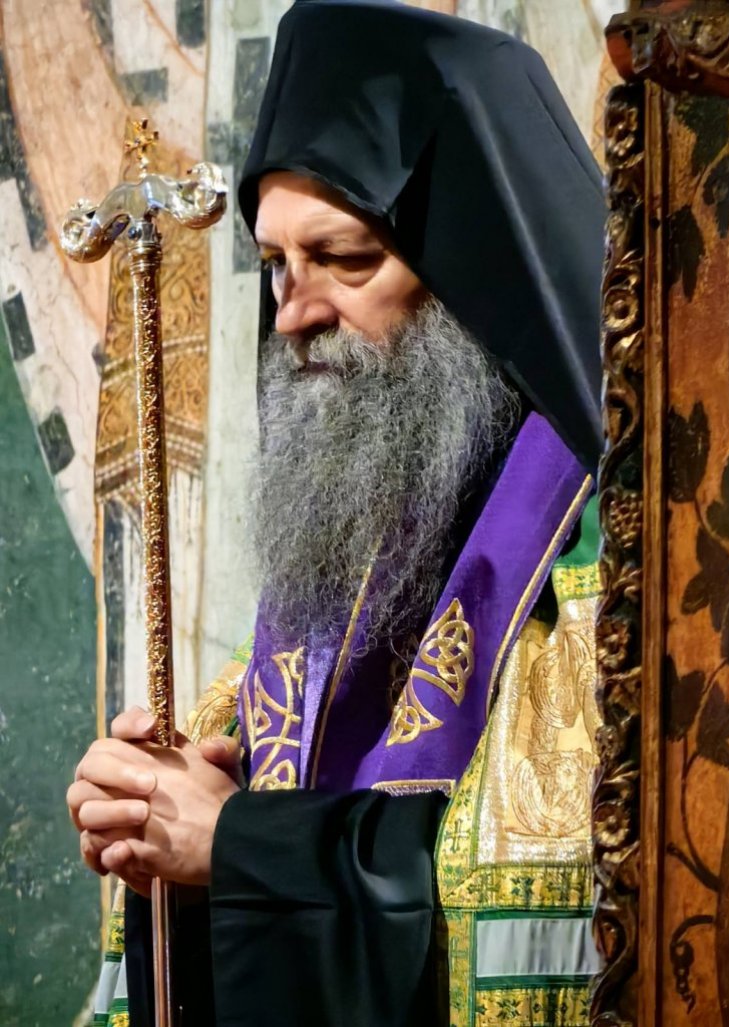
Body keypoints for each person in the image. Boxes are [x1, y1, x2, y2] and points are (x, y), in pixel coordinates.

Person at [67, 0, 606, 1024]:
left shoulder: (606, 572)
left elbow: (546, 903)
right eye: (276, 265)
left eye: (346, 259)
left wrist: (239, 847)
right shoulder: (324, 587)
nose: (294, 314)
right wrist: (160, 833)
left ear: (472, 273)